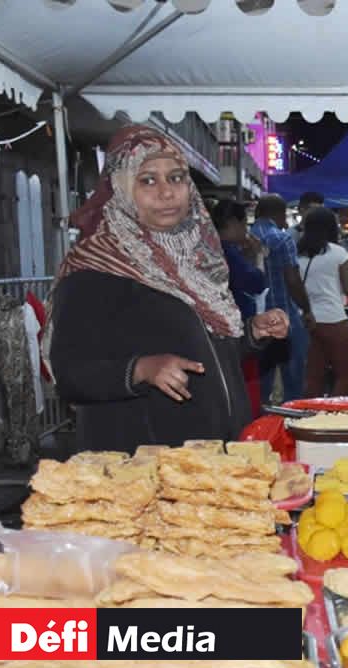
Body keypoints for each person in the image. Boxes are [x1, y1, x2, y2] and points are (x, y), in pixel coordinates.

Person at [44, 125, 288, 452]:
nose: (167, 192)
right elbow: (70, 373)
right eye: (147, 180)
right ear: (120, 187)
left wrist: (251, 334)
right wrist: (141, 369)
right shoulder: (95, 267)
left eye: (175, 178)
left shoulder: (195, 260)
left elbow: (200, 352)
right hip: (144, 469)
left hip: (210, 463)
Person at [252, 193, 314, 403]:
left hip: (254, 323)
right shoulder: (282, 238)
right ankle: (290, 419)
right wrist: (306, 309)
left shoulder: (245, 237)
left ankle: (262, 423)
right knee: (294, 377)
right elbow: (293, 280)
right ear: (278, 214)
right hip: (285, 317)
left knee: (261, 379)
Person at [211, 199, 268, 418]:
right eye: (244, 224)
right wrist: (258, 256)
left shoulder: (213, 247)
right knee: (244, 386)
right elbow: (256, 282)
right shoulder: (227, 252)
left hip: (222, 327)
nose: (246, 230)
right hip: (235, 330)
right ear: (233, 223)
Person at [298, 207, 348, 398]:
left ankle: (310, 415)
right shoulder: (338, 253)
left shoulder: (298, 254)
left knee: (314, 376)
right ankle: (336, 416)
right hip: (334, 320)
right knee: (344, 374)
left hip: (309, 320)